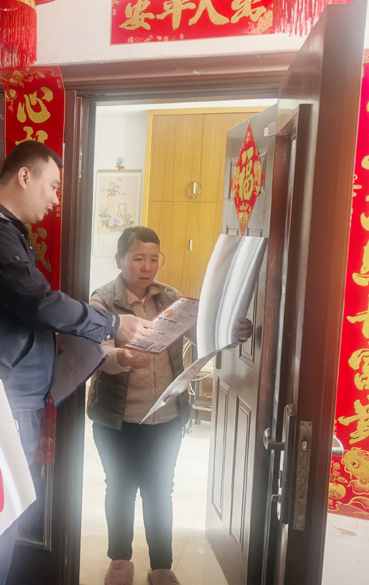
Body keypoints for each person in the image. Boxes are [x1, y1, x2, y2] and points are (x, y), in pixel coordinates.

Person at [0, 141, 153, 584]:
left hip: (13, 396)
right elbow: (39, 303)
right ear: (25, 176)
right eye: (54, 186)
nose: (56, 198)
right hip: (3, 400)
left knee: (3, 519)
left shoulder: (3, 229)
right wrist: (112, 324)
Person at [87, 226, 253, 585]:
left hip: (165, 417)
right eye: (138, 258)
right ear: (119, 260)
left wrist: (231, 332)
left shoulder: (171, 298)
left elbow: (203, 334)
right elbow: (94, 352)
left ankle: (161, 565)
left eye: (153, 259)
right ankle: (120, 559)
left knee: (160, 489)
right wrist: (121, 358)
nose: (147, 267)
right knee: (119, 487)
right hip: (116, 419)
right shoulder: (102, 300)